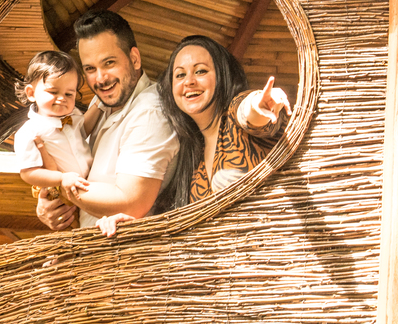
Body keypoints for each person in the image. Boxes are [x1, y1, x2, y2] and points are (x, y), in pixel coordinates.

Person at [96, 35, 292, 236]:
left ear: (222, 76)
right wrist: (135, 224)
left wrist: (261, 106)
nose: (189, 81)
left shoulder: (234, 113)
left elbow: (250, 114)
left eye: (200, 71)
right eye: (180, 75)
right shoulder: (190, 155)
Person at [35, 12, 178, 230]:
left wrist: (58, 184)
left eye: (109, 63)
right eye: (90, 69)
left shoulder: (151, 111)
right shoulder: (105, 100)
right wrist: (50, 203)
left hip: (129, 257)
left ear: (135, 58)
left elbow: (131, 203)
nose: (100, 78)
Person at [13, 50, 101, 199]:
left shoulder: (73, 115)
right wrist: (61, 178)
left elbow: (83, 129)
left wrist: (99, 104)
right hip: (61, 191)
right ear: (31, 93)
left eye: (69, 94)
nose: (62, 99)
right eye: (53, 92)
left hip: (91, 183)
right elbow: (28, 173)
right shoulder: (29, 132)